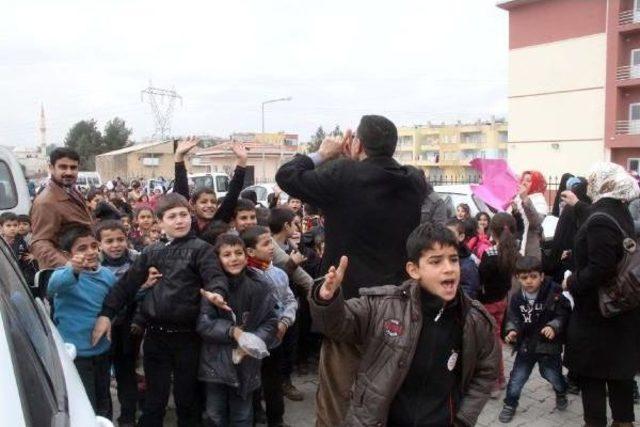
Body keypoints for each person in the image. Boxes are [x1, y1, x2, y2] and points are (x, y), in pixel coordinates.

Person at [275, 115, 426, 425]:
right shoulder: (413, 180)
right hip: (397, 307)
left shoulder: (343, 174)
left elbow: (287, 175)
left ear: (357, 143)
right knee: (387, 394)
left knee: (336, 400)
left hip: (347, 306)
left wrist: (324, 153)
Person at [309, 223, 499, 426]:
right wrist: (327, 299)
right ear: (414, 270)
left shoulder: (474, 320)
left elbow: (486, 371)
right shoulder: (384, 305)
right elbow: (338, 325)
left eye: (453, 260)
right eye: (436, 262)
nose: (449, 269)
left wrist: (463, 419)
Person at [92, 193, 229, 427]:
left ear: (191, 216)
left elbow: (214, 276)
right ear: (160, 221)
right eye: (172, 216)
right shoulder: (152, 251)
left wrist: (216, 292)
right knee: (155, 399)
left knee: (188, 398)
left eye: (184, 215)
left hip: (189, 338)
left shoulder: (201, 249)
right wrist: (106, 314)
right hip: (155, 336)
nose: (179, 221)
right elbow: (126, 285)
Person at [562, 162, 640, 427]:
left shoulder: (599, 220)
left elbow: (600, 267)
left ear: (601, 185)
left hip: (599, 319)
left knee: (593, 384)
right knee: (620, 384)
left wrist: (571, 281)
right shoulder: (620, 211)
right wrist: (578, 206)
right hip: (622, 314)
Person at [197, 233, 278, 427]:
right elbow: (204, 324)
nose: (234, 258)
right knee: (215, 414)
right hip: (216, 363)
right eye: (227, 254)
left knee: (242, 415)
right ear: (218, 259)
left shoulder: (259, 285)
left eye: (238, 253)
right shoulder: (212, 289)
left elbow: (270, 320)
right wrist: (233, 331)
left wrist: (253, 341)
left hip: (247, 363)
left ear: (246, 255)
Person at [48, 225, 116, 418]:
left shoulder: (106, 276)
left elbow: (117, 300)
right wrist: (73, 269)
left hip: (102, 350)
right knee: (85, 402)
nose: (90, 252)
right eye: (81, 248)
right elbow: (53, 287)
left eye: (93, 246)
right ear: (67, 254)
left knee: (104, 399)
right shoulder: (64, 275)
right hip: (76, 355)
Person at [499, 256, 570, 423]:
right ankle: (510, 404)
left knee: (553, 375)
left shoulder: (555, 293)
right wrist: (511, 331)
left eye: (533, 277)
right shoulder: (516, 298)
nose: (529, 281)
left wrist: (554, 326)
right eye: (524, 278)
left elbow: (564, 313)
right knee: (517, 378)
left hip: (548, 347)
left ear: (542, 276)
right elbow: (512, 317)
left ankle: (561, 391)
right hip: (526, 347)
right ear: (517, 278)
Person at [241, 226, 298, 427]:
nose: (271, 247)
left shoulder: (278, 273)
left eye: (271, 242)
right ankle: (256, 416)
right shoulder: (244, 277)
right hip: (252, 341)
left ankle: (277, 420)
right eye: (265, 244)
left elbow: (290, 300)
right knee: (252, 385)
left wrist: (284, 322)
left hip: (275, 341)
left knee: (273, 382)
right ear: (250, 251)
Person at [96, 220, 152, 427]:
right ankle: (104, 418)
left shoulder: (137, 260)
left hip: (129, 326)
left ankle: (127, 417)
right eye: (109, 241)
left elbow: (145, 292)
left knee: (126, 373)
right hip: (102, 327)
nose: (116, 245)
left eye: (120, 239)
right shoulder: (94, 264)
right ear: (99, 244)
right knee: (102, 376)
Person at [479, 212, 520, 398]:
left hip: (487, 304)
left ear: (492, 232)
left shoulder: (489, 254)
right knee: (495, 340)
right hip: (502, 301)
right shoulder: (513, 252)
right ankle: (501, 379)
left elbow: (482, 278)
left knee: (490, 345)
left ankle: (494, 383)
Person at [30, 147, 93, 268]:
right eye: (63, 167)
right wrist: (68, 265)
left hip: (85, 266)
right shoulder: (46, 202)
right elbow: (40, 243)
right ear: (51, 168)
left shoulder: (73, 192)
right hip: (67, 274)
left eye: (73, 167)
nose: (69, 172)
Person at [173, 137, 249, 234]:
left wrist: (242, 160)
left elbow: (233, 194)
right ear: (192, 205)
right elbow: (181, 192)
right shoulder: (186, 224)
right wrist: (179, 157)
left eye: (213, 202)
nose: (209, 205)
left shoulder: (220, 221)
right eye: (204, 202)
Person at [446, 218, 480, 299]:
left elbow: (470, 291)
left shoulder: (468, 264)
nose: (445, 238)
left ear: (461, 237)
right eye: (444, 234)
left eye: (450, 235)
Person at [1, 212, 38, 287]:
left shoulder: (22, 242)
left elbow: (28, 263)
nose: (12, 228)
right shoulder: (1, 243)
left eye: (15, 225)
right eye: (8, 225)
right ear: (1, 227)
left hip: (20, 278)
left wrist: (35, 256)